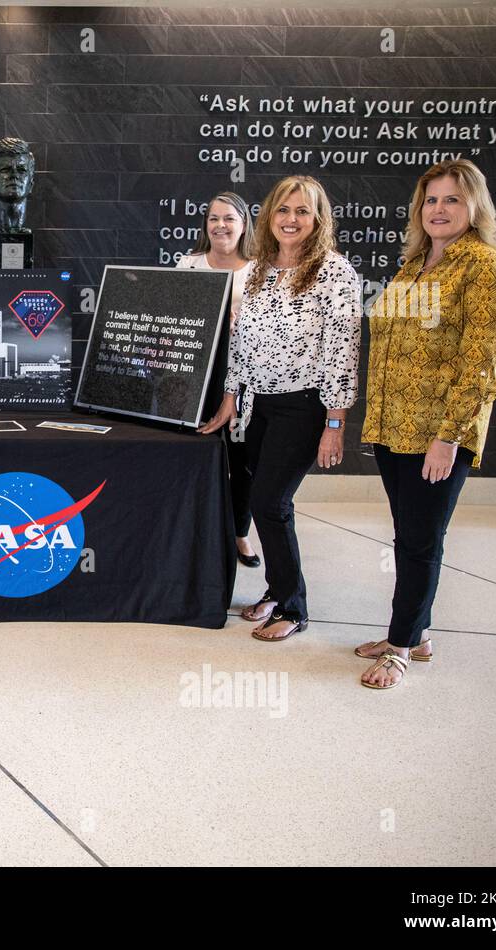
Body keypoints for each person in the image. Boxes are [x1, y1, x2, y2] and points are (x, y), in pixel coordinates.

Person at [356, 160, 496, 689]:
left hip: (437, 435)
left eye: (452, 199)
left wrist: (448, 437)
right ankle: (415, 631)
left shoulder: (484, 267)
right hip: (394, 427)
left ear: (474, 207)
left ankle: (400, 648)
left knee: (421, 541)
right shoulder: (414, 266)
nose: (439, 209)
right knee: (409, 537)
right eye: (431, 200)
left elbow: (482, 363)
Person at [201, 175, 361, 641]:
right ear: (269, 217)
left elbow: (342, 353)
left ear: (318, 220)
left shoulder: (335, 272)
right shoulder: (256, 271)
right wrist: (231, 397)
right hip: (256, 406)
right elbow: (241, 343)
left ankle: (293, 606)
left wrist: (335, 423)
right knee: (260, 498)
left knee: (272, 502)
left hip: (304, 408)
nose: (291, 220)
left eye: (303, 212)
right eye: (283, 211)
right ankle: (274, 589)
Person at [186, 191, 259, 567]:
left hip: (245, 381)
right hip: (198, 379)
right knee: (195, 455)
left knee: (242, 463)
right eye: (213, 218)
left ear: (244, 224)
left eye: (228, 218)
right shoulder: (189, 264)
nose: (220, 225)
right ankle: (195, 535)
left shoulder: (259, 270)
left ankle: (239, 534)